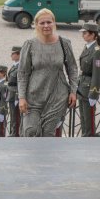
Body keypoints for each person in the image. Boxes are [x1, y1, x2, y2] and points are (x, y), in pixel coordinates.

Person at [18, 9, 79, 137]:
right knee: (30, 131)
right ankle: (32, 157)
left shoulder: (64, 43)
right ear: (36, 25)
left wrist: (73, 91)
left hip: (57, 96)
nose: (46, 26)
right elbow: (23, 73)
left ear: (54, 23)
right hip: (33, 96)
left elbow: (72, 69)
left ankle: (47, 158)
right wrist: (22, 97)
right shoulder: (29, 45)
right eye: (42, 23)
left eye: (49, 22)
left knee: (48, 134)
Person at [77, 23, 100, 137]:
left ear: (93, 35)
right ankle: (84, 136)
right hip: (82, 86)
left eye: (85, 33)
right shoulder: (87, 46)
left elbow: (97, 74)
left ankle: (88, 139)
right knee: (83, 117)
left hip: (89, 88)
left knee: (88, 119)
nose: (83, 35)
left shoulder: (96, 50)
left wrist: (94, 93)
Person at [6, 46, 22, 136]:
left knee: (16, 116)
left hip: (15, 94)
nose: (11, 55)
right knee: (12, 115)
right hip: (11, 94)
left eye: (13, 54)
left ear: (19, 54)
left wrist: (17, 96)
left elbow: (20, 83)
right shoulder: (14, 66)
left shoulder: (20, 66)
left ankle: (16, 133)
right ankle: (13, 132)